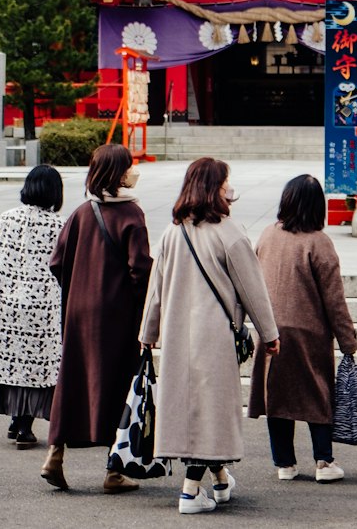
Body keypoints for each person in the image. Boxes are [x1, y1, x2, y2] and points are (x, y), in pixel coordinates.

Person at [141, 157, 280, 515]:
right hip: (215, 337)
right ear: (213, 188)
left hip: (176, 337)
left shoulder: (172, 233)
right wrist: (269, 332)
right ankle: (189, 492)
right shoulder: (229, 233)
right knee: (209, 411)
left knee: (193, 411)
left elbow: (155, 289)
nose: (229, 189)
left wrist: (148, 332)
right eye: (225, 182)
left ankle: (220, 481)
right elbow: (253, 289)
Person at [41, 143, 152, 494]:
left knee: (71, 380)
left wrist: (79, 290)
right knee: (118, 384)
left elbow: (57, 263)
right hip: (116, 316)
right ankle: (113, 469)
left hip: (78, 313)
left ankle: (54, 454)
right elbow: (140, 269)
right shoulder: (132, 214)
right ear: (120, 173)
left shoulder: (80, 213)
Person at [247, 172, 357, 484]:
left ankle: (284, 463)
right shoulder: (319, 242)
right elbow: (334, 300)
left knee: (277, 397)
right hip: (309, 332)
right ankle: (324, 462)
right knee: (318, 395)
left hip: (270, 330)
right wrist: (348, 341)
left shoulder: (268, 235)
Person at [0, 164, 65, 447]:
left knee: (12, 361)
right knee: (37, 366)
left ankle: (17, 419)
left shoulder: (6, 219)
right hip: (43, 307)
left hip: (6, 305)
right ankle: (24, 425)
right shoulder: (59, 224)